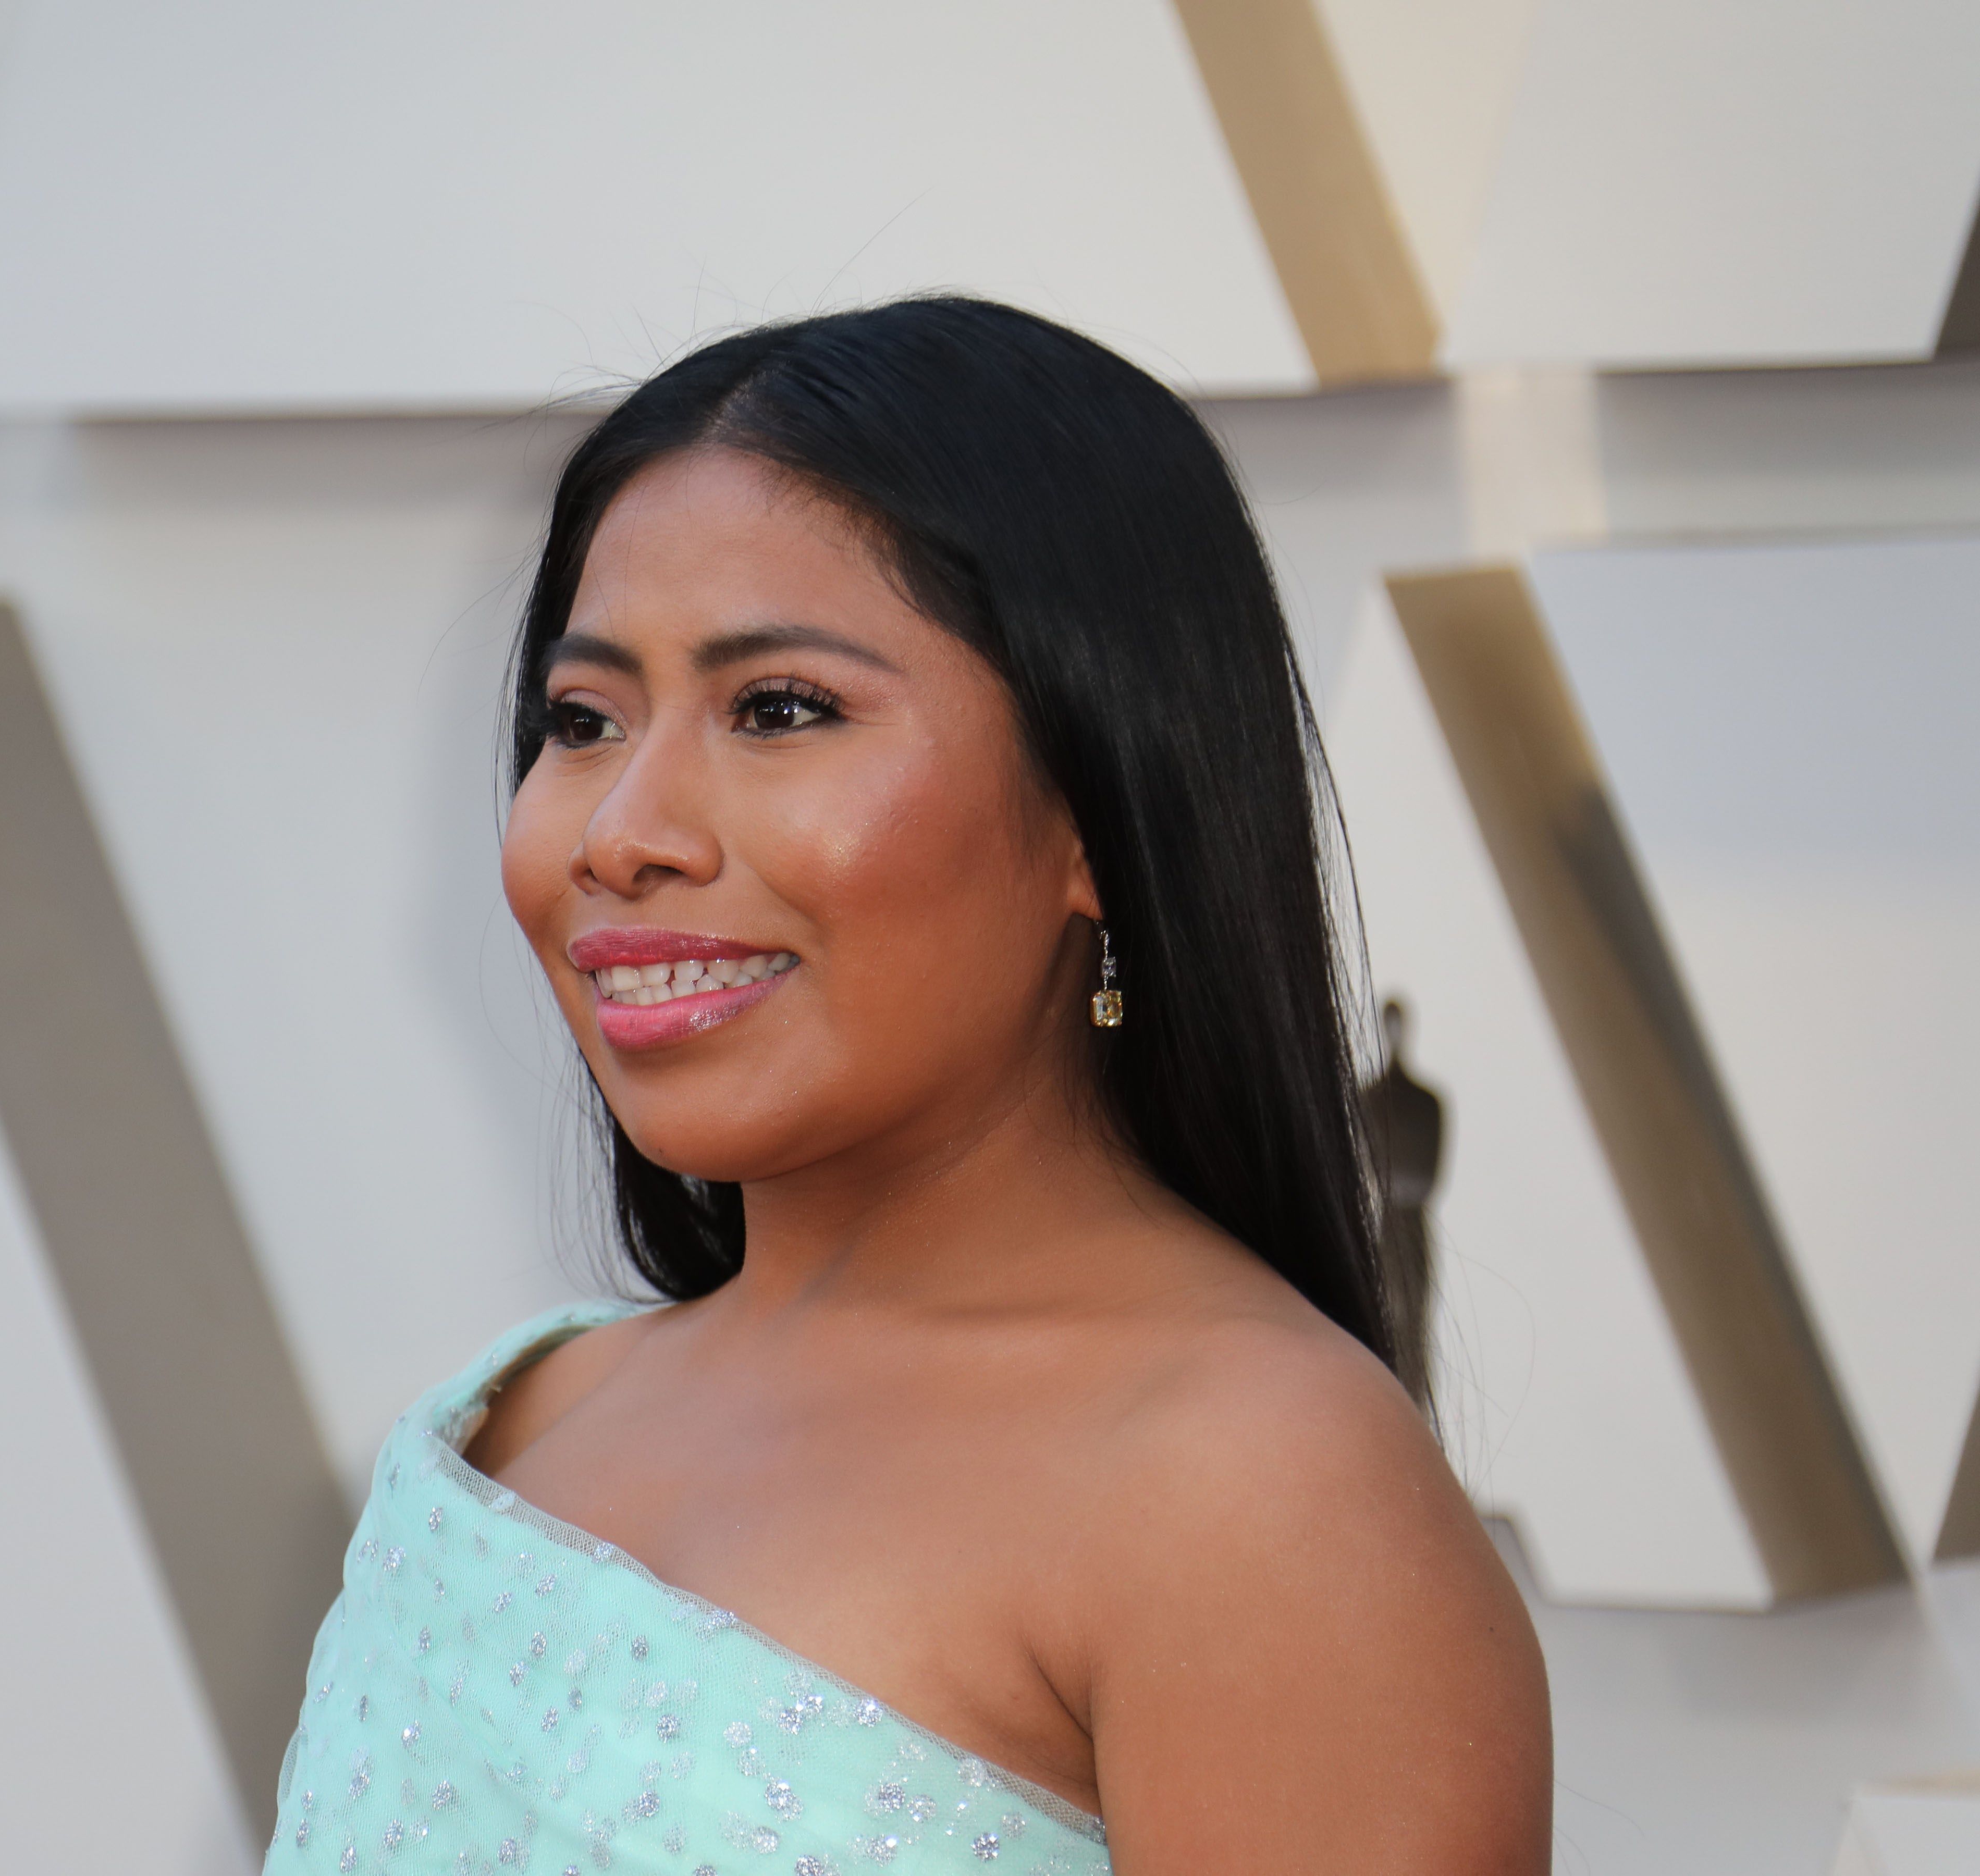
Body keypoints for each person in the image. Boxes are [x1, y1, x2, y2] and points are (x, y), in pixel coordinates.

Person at [266, 299, 1549, 1876]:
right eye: (582, 720)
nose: (622, 831)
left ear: (1097, 809)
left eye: (780, 710)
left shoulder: (1254, 1491)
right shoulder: (523, 1419)